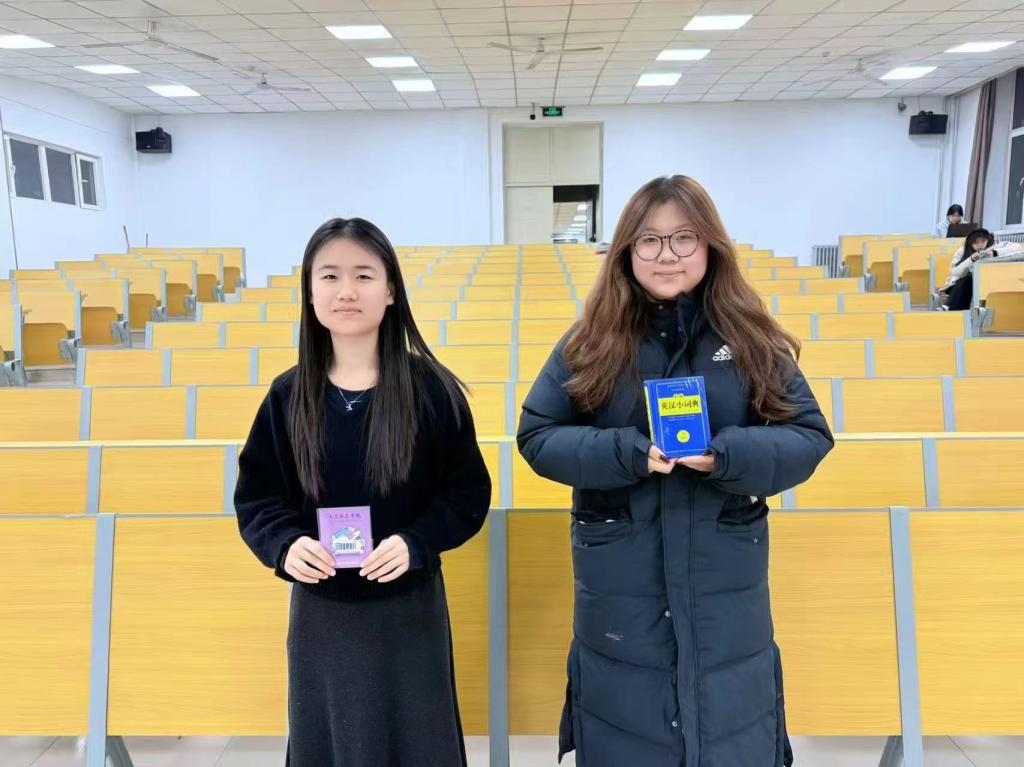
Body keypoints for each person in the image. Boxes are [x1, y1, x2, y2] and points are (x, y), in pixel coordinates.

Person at [517, 175, 833, 767]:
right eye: (649, 240)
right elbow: (538, 436)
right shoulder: (591, 341)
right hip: (621, 576)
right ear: (625, 251)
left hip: (724, 577)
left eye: (684, 238)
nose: (667, 255)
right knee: (628, 724)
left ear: (710, 245)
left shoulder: (749, 337)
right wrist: (629, 453)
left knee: (727, 724)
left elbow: (809, 437)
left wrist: (727, 456)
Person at [234, 217, 491, 767]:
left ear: (391, 290)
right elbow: (257, 499)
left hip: (408, 611)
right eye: (329, 276)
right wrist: (285, 545)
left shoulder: (433, 391)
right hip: (322, 613)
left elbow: (467, 494)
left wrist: (416, 543)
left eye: (364, 275)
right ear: (310, 292)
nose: (346, 291)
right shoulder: (287, 396)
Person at [938, 227, 1023, 310]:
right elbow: (955, 272)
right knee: (968, 280)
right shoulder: (962, 251)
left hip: (987, 282)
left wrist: (994, 253)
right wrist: (971, 259)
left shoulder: (995, 246)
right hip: (959, 285)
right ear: (970, 243)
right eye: (976, 243)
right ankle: (950, 308)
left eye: (983, 242)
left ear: (987, 240)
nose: (980, 245)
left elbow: (1017, 247)